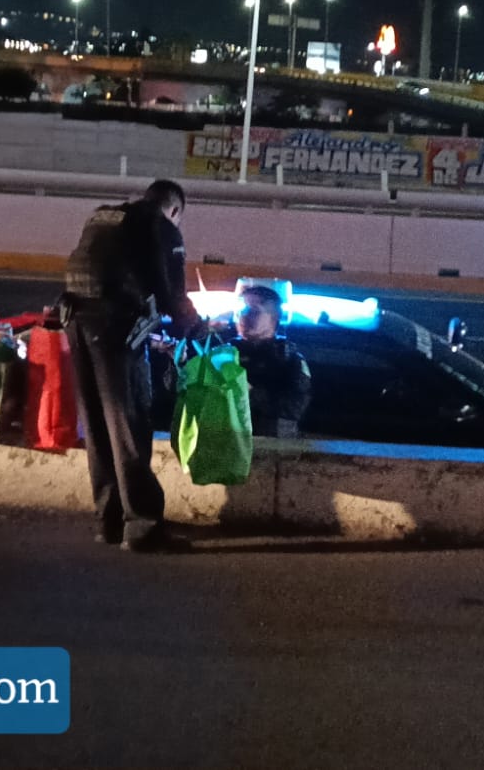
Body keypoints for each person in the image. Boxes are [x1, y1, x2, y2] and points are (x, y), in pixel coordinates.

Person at [61, 179, 205, 552]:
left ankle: (108, 521)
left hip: (76, 320)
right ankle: (143, 526)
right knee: (128, 422)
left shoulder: (103, 216)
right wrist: (197, 326)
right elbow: (171, 294)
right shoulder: (162, 226)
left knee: (96, 421)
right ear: (174, 209)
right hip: (116, 326)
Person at [230, 285, 311, 438]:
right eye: (241, 311)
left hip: (270, 449)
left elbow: (294, 407)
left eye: (254, 311)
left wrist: (250, 392)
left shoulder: (289, 360)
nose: (244, 316)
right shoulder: (224, 355)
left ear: (274, 318)